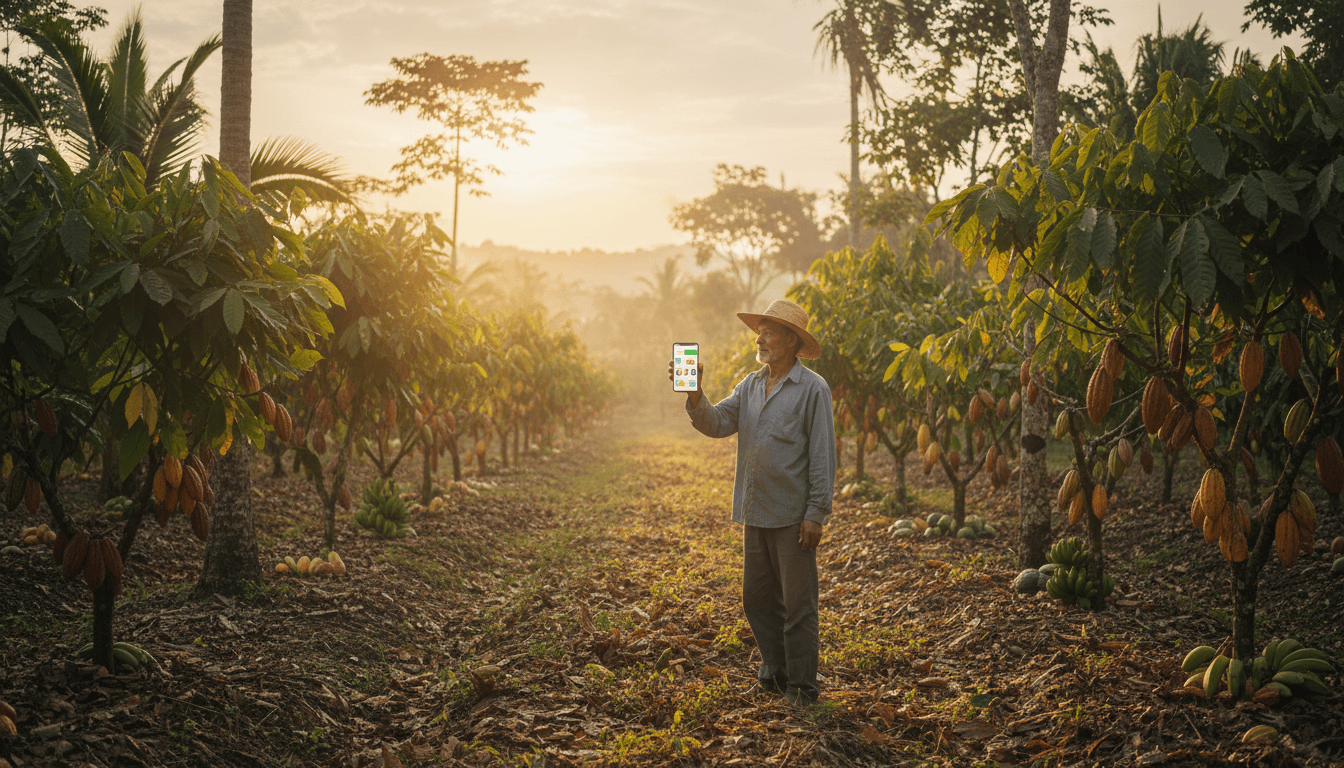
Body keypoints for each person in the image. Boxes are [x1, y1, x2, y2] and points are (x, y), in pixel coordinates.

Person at [668, 298, 836, 706]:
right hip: (755, 510)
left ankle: (802, 687)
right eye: (759, 332)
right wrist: (695, 393)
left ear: (792, 340)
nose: (759, 339)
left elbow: (822, 454)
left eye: (768, 332)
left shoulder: (813, 389)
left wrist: (816, 514)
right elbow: (717, 422)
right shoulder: (750, 385)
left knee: (798, 606)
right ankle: (775, 674)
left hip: (792, 516)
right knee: (757, 600)